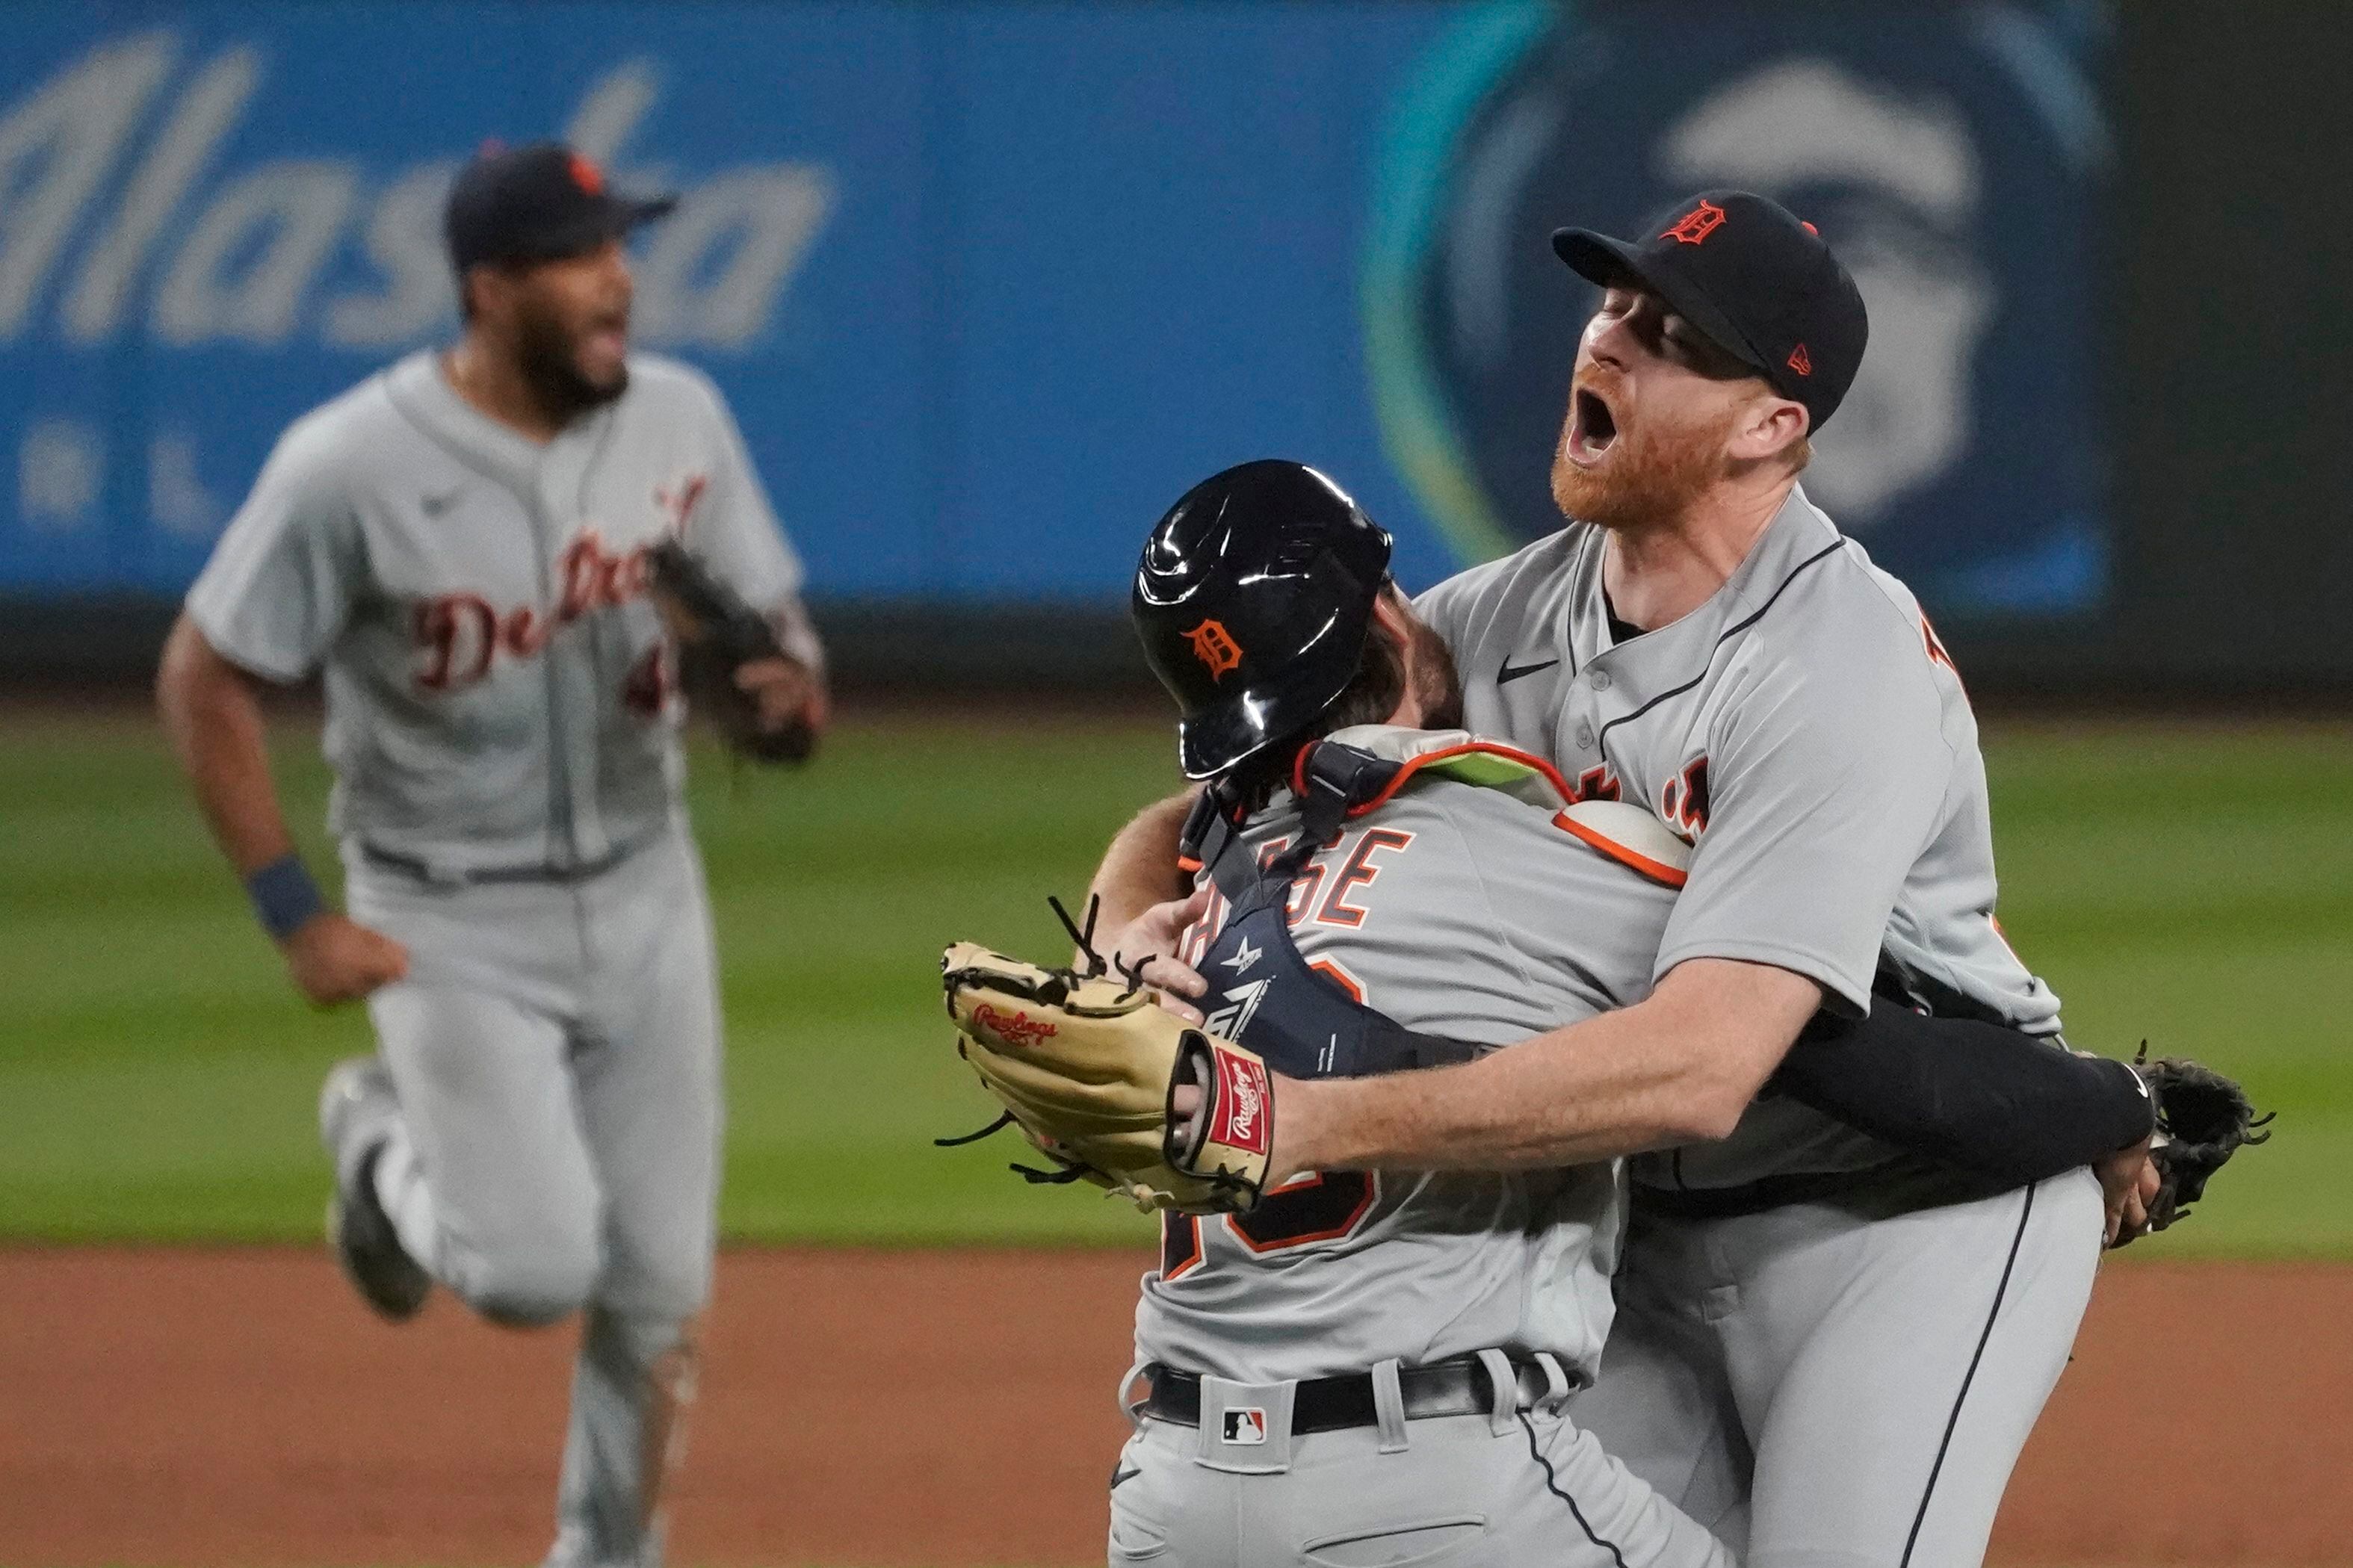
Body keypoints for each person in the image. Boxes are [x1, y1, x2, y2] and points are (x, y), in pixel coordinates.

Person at [1091, 193, 2156, 1567]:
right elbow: (1198, 818)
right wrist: (1128, 927)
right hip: (1643, 1228)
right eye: (1614, 308)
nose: (1607, 346)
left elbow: (1712, 1067)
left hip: (1911, 1206)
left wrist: (1305, 1120)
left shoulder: (1836, 664)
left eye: (1667, 340)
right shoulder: (1492, 618)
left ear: (1769, 422)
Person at [154, 140, 825, 1568]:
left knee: (656, 1288)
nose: (619, 279)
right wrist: (294, 917)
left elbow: (773, 635)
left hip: (648, 891)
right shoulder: (348, 465)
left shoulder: (681, 420)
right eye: (583, 256)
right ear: (492, 288)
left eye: (620, 248)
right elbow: (201, 676)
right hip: (445, 914)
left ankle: (608, 1558)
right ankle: (379, 1149)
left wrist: (775, 695)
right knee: (530, 1273)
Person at [1111, 457, 1735, 1568]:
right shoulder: (1521, 854)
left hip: (1169, 1503)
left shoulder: (1197, 905)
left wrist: (1115, 927)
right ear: (1389, 621)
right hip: (1427, 1487)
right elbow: (1768, 1016)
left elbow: (1175, 830)